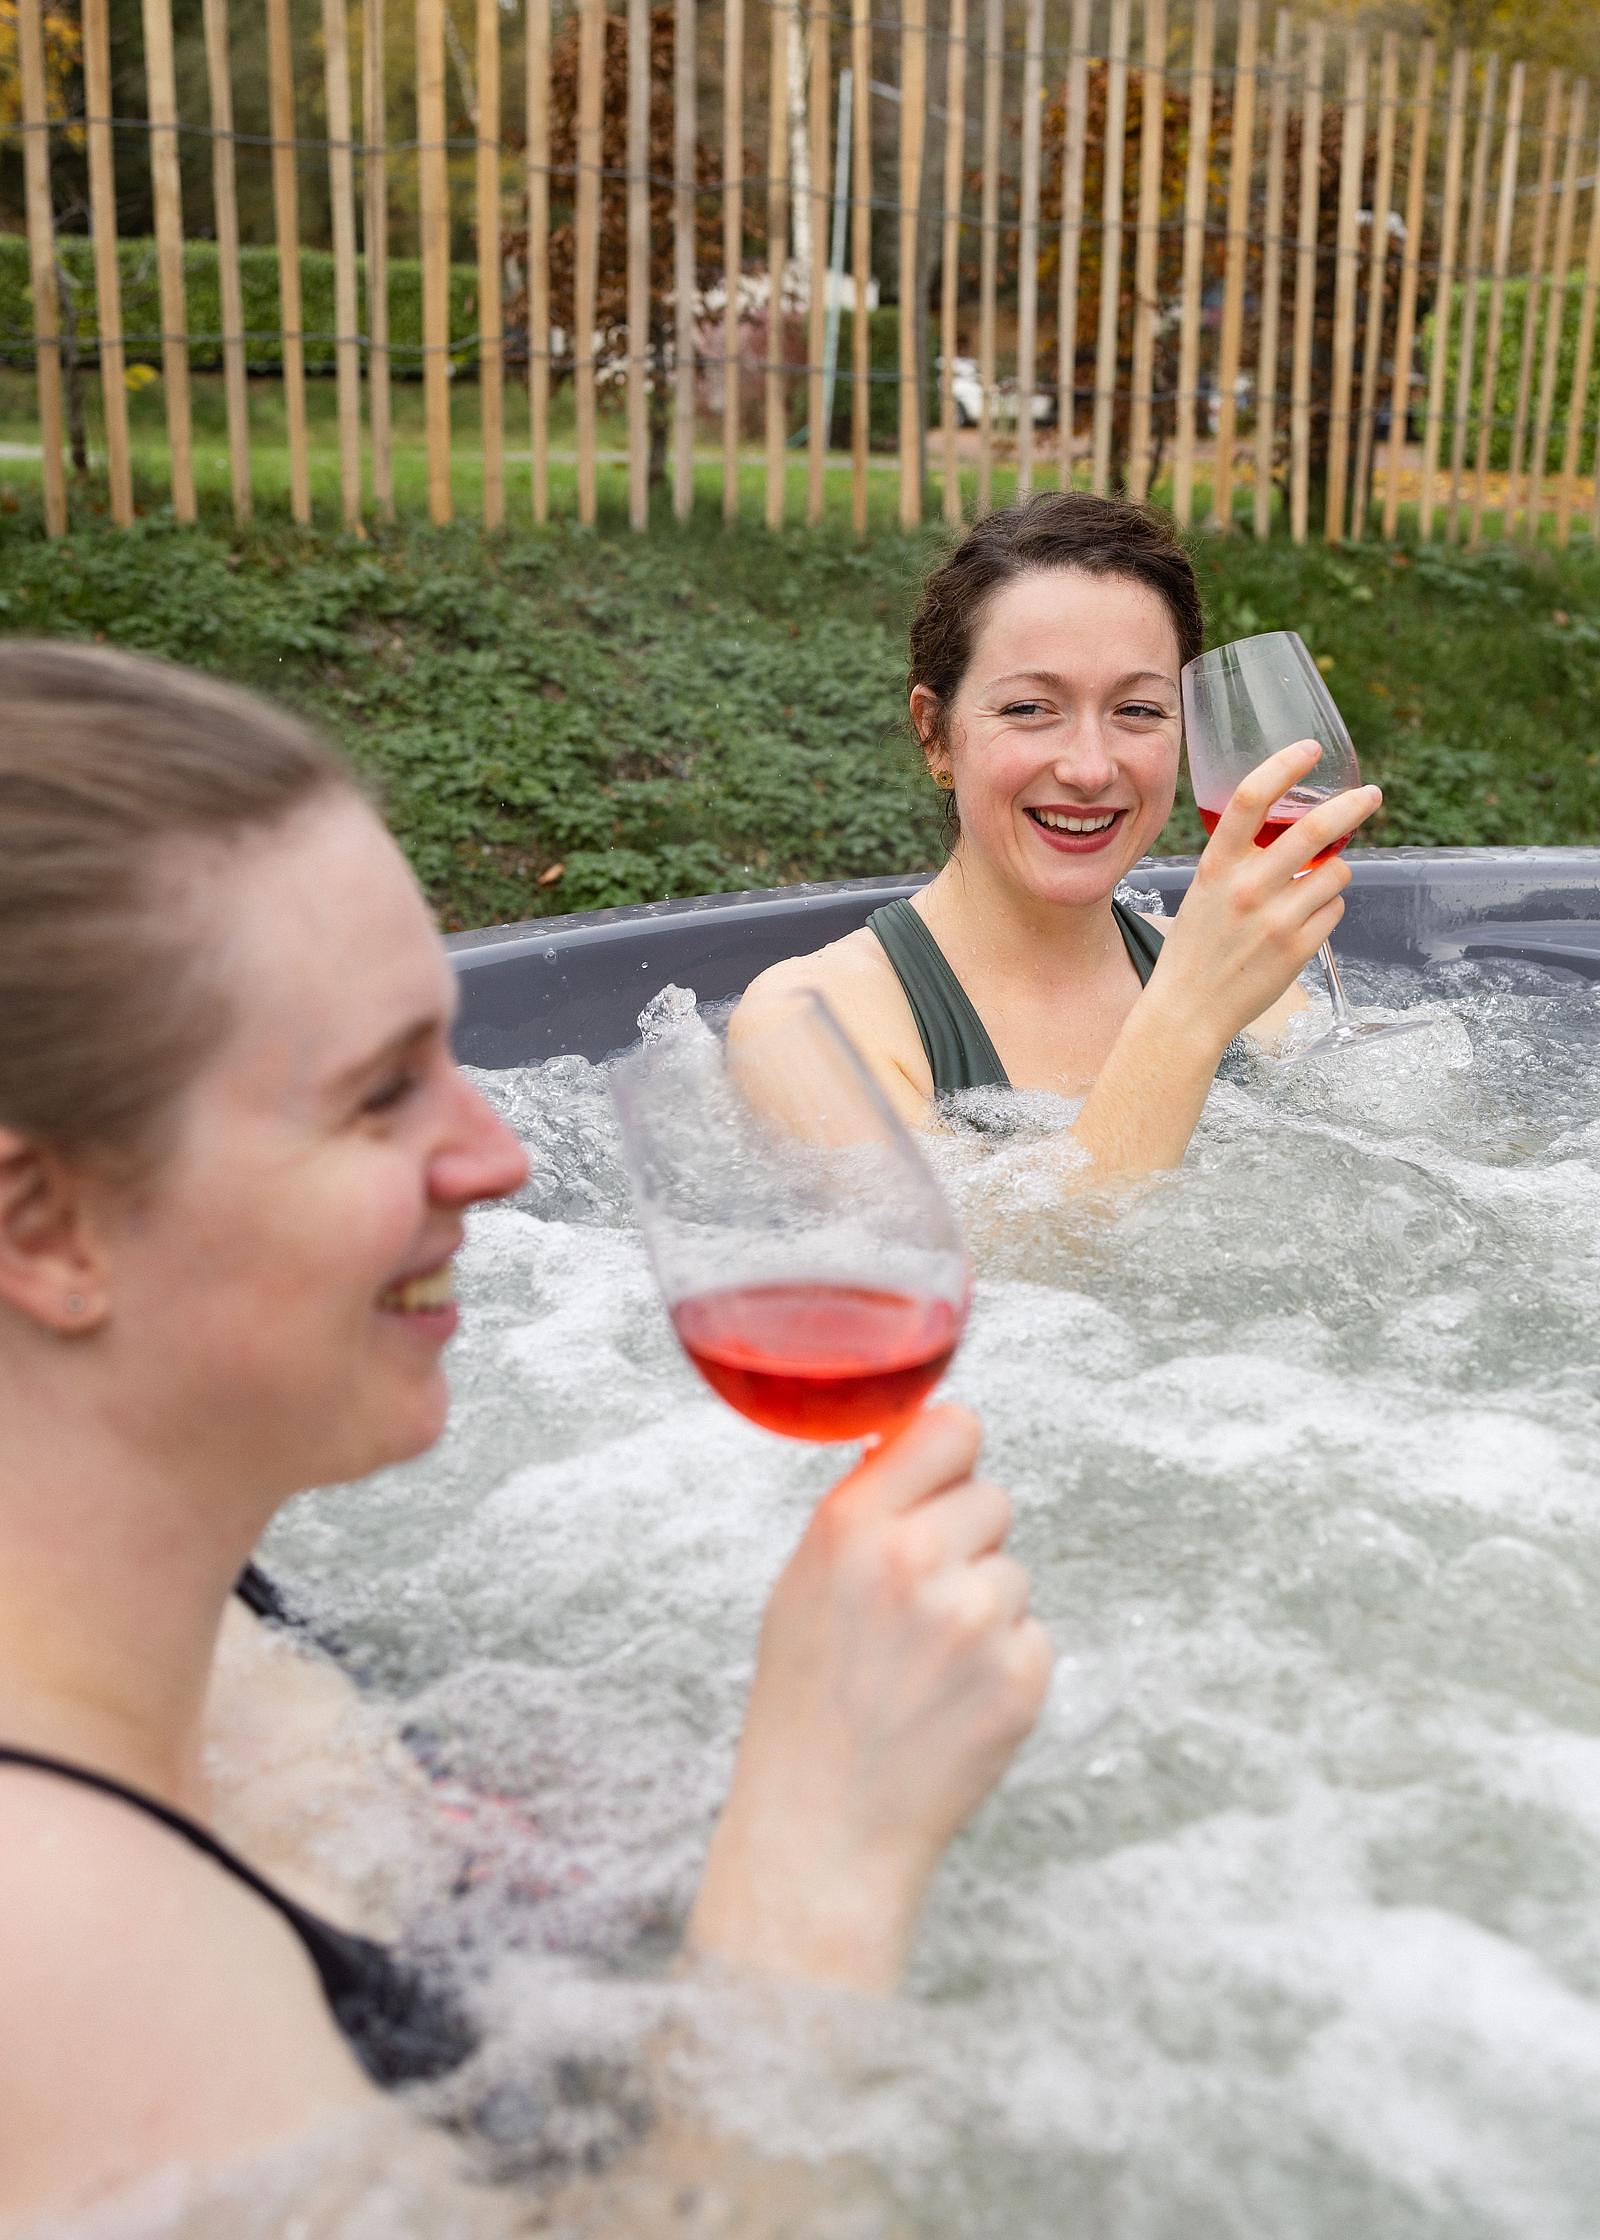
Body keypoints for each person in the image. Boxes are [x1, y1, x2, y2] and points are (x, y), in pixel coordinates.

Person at [0, 641, 1052, 2232]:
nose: (495, 1155)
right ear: (42, 1224)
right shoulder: (48, 1949)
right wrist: (814, 1876)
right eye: (379, 1096)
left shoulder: (182, 1616)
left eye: (447, 1053)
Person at [732, 493, 1384, 1177]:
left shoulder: (1251, 989)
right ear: (935, 736)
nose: (1090, 769)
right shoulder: (809, 1022)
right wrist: (1187, 1017)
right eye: (1029, 708)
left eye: (1138, 710)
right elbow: (1000, 1244)